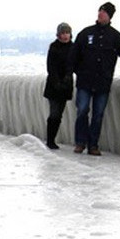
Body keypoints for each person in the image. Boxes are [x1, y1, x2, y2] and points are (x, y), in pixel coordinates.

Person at [69, 1, 120, 156]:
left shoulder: (115, 37)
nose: (100, 14)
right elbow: (74, 54)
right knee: (82, 111)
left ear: (109, 16)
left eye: (103, 12)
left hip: (103, 83)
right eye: (99, 11)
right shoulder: (86, 33)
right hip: (85, 81)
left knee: (98, 115)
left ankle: (93, 145)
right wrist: (72, 71)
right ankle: (80, 142)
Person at [43, 22, 74, 150]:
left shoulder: (73, 47)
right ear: (59, 35)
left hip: (66, 85)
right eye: (63, 33)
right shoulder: (54, 47)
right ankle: (50, 140)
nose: (65, 36)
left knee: (59, 114)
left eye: (67, 33)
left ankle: (52, 139)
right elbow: (51, 66)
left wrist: (67, 78)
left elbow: (74, 65)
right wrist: (56, 82)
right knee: (54, 113)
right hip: (53, 85)